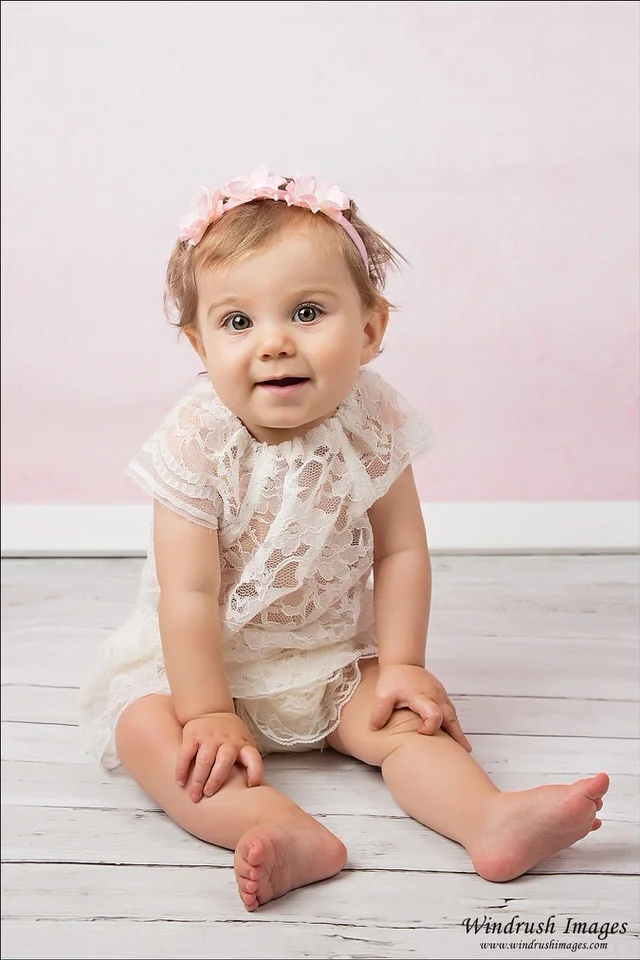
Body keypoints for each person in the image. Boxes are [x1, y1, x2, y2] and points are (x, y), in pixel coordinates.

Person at [80, 166, 609, 912]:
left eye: (306, 312)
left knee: (403, 722)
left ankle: (487, 819)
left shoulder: (371, 420)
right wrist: (206, 710)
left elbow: (401, 551)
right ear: (198, 344)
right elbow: (189, 594)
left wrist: (402, 664)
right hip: (203, 665)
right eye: (238, 323)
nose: (273, 345)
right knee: (146, 732)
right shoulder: (196, 440)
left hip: (327, 657)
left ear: (369, 329)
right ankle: (276, 827)